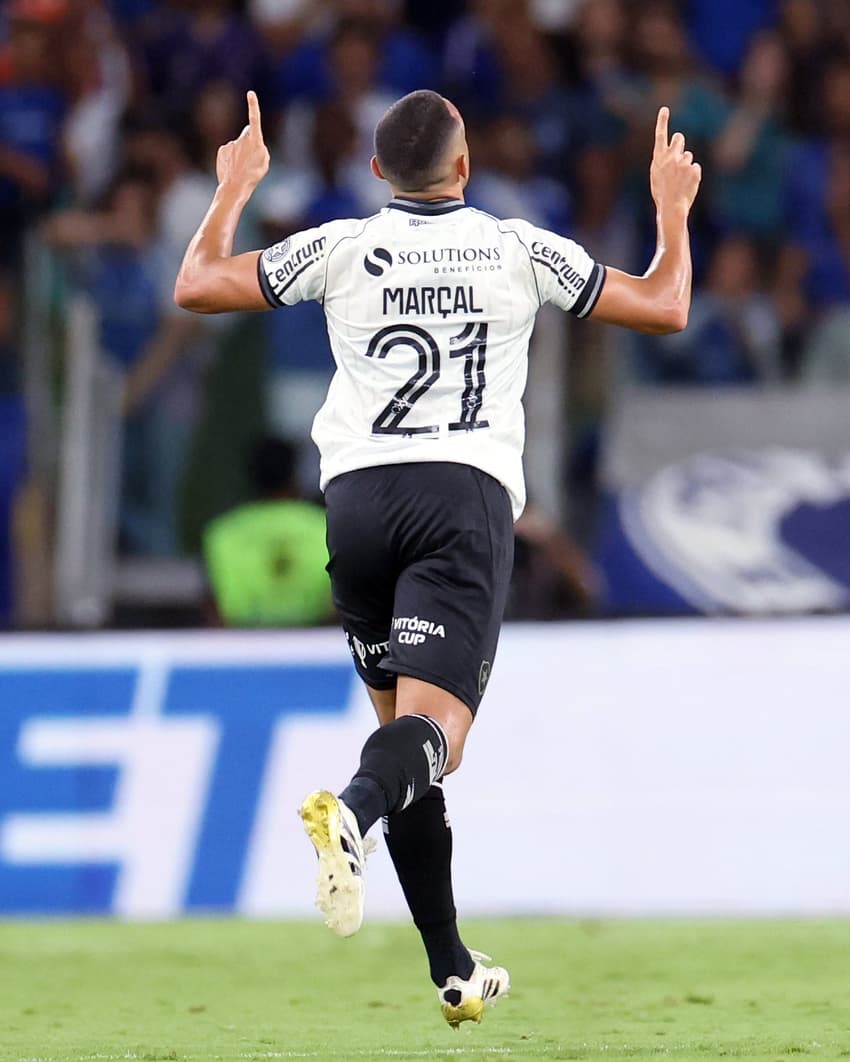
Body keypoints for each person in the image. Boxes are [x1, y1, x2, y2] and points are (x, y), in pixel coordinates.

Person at [174, 88, 700, 1027]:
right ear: (465, 168)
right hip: (460, 498)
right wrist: (669, 208)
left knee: (407, 740)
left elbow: (199, 284)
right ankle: (353, 814)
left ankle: (451, 967)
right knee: (437, 740)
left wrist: (235, 186)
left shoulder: (339, 244)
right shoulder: (516, 246)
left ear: (379, 172)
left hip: (357, 504)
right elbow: (664, 306)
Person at [202, 435, 334, 627]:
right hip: (318, 647)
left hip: (241, 649)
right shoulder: (326, 526)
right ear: (294, 475)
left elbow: (214, 609)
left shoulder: (222, 533)